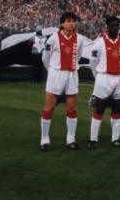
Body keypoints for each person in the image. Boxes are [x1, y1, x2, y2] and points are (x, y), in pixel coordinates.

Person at [40, 11, 91, 151]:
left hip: (72, 75)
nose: (71, 24)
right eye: (68, 21)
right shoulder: (52, 38)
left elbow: (78, 55)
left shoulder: (80, 39)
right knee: (49, 107)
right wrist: (52, 71)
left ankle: (71, 140)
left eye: (73, 21)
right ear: (62, 23)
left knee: (72, 108)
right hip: (56, 74)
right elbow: (45, 58)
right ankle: (45, 140)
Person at [88, 16, 120, 148]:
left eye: (117, 25)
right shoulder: (99, 43)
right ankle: (93, 140)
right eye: (112, 25)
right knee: (99, 109)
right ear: (107, 27)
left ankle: (115, 139)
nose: (114, 27)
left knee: (117, 108)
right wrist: (98, 77)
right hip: (103, 78)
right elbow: (93, 62)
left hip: (118, 78)